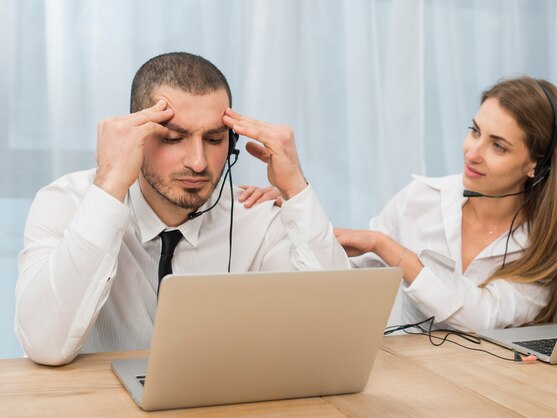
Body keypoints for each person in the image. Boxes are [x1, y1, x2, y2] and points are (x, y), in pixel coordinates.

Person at [15, 52, 349, 366]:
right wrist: (109, 186)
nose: (198, 162)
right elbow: (45, 345)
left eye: (215, 140)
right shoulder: (67, 203)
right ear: (136, 138)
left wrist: (296, 190)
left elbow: (337, 335)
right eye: (174, 138)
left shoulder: (257, 217)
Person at [244, 76, 557, 332]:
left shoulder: (548, 248)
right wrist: (295, 199)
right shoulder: (421, 198)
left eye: (498, 146)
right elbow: (340, 284)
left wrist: (387, 247)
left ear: (536, 165)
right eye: (475, 131)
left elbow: (477, 317)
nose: (472, 152)